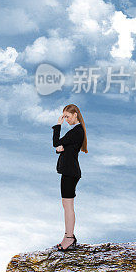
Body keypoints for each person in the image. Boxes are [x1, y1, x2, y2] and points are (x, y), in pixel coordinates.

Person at [52, 104, 88, 251]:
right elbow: (61, 147)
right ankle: (67, 236)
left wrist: (58, 125)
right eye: (64, 117)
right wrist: (61, 148)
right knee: (66, 205)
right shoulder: (76, 132)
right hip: (69, 172)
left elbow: (56, 143)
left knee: (68, 206)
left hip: (70, 173)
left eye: (67, 116)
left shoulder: (77, 131)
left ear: (75, 115)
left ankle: (69, 238)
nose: (66, 119)